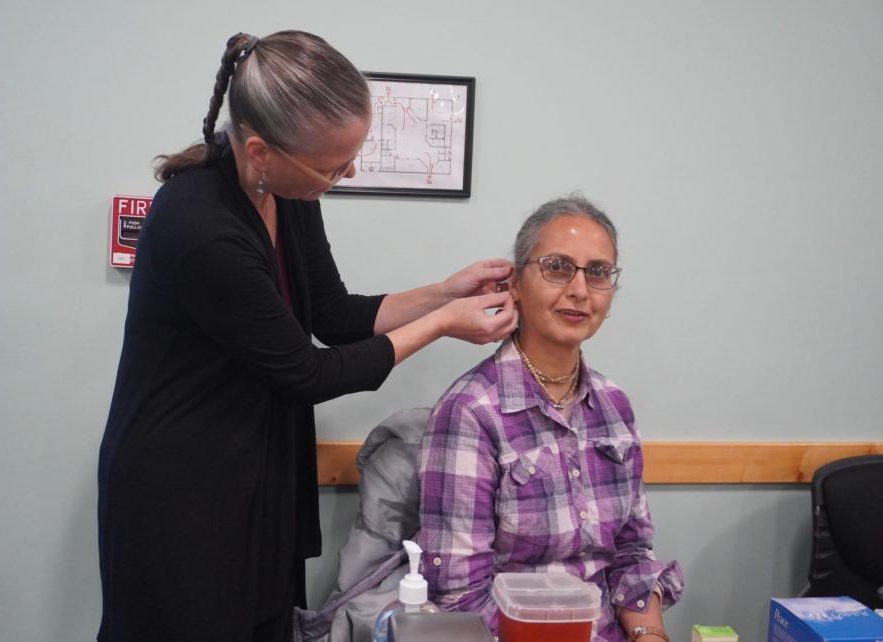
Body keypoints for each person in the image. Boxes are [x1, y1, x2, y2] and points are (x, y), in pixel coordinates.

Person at [97, 30, 518, 642]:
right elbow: (306, 373)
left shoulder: (285, 190)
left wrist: (445, 291)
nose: (344, 174)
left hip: (261, 469)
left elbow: (334, 313)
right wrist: (443, 325)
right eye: (331, 165)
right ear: (262, 151)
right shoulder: (199, 224)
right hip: (183, 484)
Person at [418, 195, 684, 641]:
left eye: (598, 272)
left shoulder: (614, 405)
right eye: (558, 267)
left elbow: (632, 554)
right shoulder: (470, 413)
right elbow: (459, 597)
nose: (580, 290)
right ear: (516, 285)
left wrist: (650, 637)